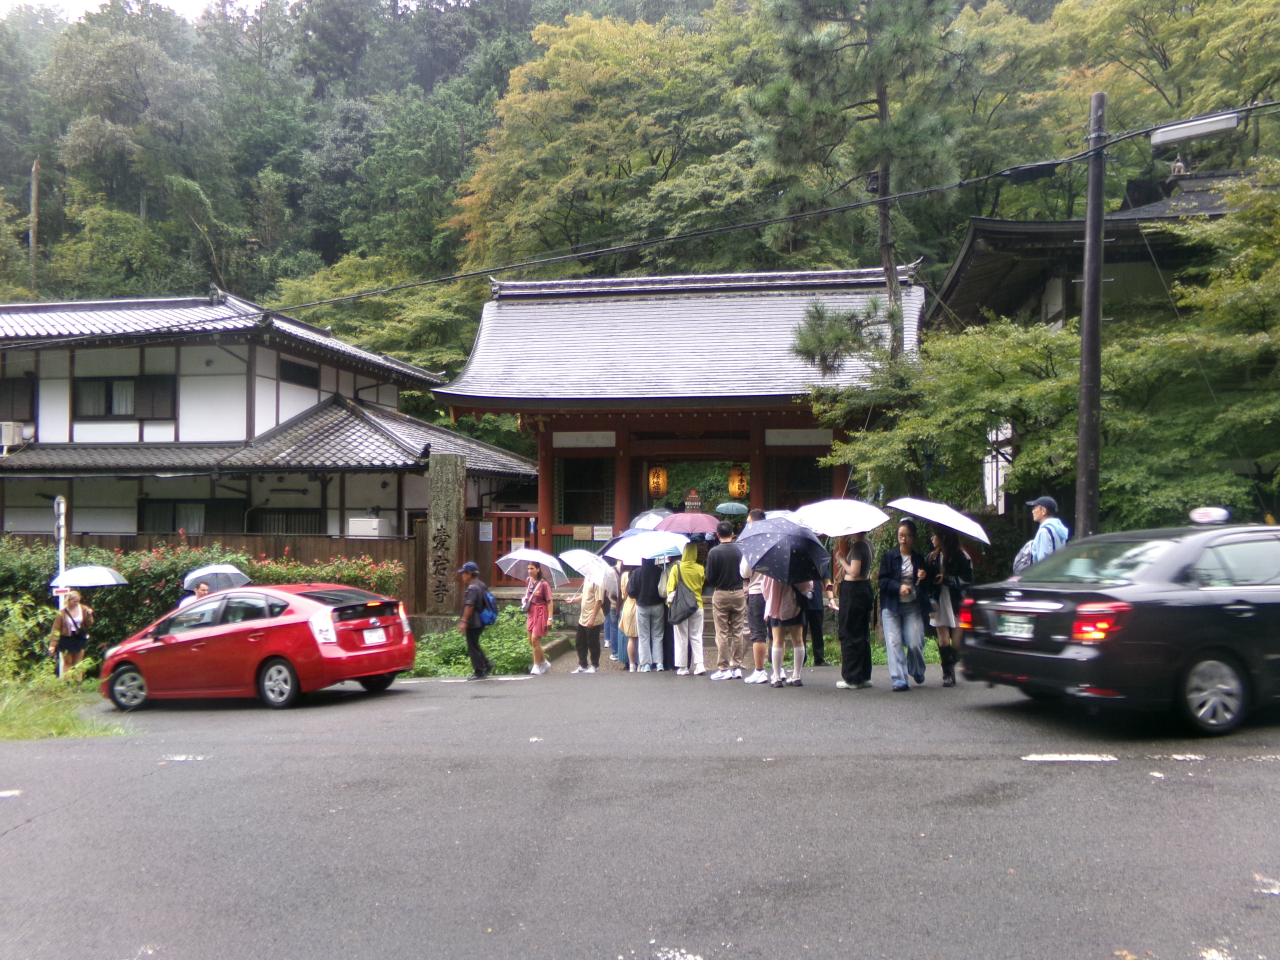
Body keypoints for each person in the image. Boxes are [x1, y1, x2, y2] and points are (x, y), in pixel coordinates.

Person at [878, 519, 928, 692]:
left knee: (914, 643)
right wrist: (898, 587)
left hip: (912, 607)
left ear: (913, 537)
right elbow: (882, 581)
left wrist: (924, 577)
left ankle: (917, 670)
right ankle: (899, 679)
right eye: (901, 535)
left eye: (907, 535)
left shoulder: (919, 559)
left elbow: (926, 586)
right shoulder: (888, 557)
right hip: (891, 606)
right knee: (894, 643)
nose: (904, 539)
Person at [924, 528, 974, 687]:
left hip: (957, 601)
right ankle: (948, 673)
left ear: (943, 538)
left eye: (935, 535)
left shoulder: (962, 556)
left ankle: (952, 663)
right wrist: (925, 578)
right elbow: (927, 581)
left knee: (957, 641)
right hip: (938, 601)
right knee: (944, 638)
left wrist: (946, 579)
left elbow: (967, 580)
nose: (932, 538)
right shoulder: (931, 558)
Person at [832, 532, 875, 690]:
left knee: (850, 632)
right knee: (862, 633)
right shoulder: (869, 544)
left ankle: (852, 677)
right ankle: (864, 675)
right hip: (864, 588)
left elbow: (854, 571)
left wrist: (841, 559)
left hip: (854, 591)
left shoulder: (858, 546)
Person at [705, 521, 746, 680]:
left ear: (718, 535)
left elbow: (709, 577)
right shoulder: (740, 550)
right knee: (738, 631)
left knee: (721, 632)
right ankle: (737, 665)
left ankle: (723, 667)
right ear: (732, 534)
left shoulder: (714, 552)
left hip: (721, 593)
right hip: (738, 592)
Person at [762, 574, 814, 688]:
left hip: (776, 606)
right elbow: (807, 586)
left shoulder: (773, 569)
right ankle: (796, 676)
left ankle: (776, 677)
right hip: (795, 605)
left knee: (777, 641)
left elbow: (765, 588)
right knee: (798, 640)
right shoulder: (799, 567)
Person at [739, 508, 771, 684]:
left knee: (758, 632)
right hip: (775, 592)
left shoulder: (752, 544)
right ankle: (778, 670)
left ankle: (760, 670)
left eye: (748, 522)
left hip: (757, 591)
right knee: (776, 631)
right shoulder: (773, 540)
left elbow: (744, 572)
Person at [666, 542, 706, 676]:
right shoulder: (700, 569)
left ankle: (683, 667)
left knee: (681, 636)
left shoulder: (676, 568)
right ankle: (699, 665)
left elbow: (670, 588)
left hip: (681, 606)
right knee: (696, 635)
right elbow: (701, 585)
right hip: (697, 605)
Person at [456, 562, 493, 680]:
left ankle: (479, 672)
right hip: (481, 620)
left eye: (463, 573)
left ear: (469, 574)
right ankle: (486, 663)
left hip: (474, 621)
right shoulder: (481, 585)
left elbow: (470, 605)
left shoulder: (473, 588)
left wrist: (464, 621)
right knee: (474, 644)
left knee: (472, 646)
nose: (462, 575)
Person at [629, 556, 666, 672]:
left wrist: (638, 595)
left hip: (642, 605)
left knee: (643, 635)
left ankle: (646, 664)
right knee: (658, 635)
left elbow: (631, 591)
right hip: (658, 605)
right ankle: (659, 663)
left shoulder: (637, 572)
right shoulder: (659, 571)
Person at [48, 590, 93, 676]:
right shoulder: (62, 613)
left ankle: (78, 683)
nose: (76, 603)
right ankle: (68, 682)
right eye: (74, 601)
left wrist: (89, 615)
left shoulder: (83, 609)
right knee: (68, 663)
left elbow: (89, 624)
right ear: (68, 600)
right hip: (66, 639)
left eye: (78, 601)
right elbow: (55, 629)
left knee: (79, 663)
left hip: (79, 637)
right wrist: (53, 645)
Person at [522, 561, 553, 675]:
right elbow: (528, 595)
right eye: (528, 568)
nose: (530, 571)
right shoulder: (528, 581)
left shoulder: (544, 584)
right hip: (531, 611)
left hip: (541, 611)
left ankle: (536, 666)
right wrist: (524, 600)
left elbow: (549, 602)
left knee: (535, 639)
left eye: (532, 568)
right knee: (531, 641)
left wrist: (550, 619)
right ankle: (544, 662)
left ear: (538, 569)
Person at [570, 576, 605, 674]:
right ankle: (583, 664)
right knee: (580, 641)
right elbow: (585, 594)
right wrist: (574, 600)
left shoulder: (598, 581)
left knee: (593, 642)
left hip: (593, 616)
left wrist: (592, 618)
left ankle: (594, 665)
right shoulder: (587, 578)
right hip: (583, 616)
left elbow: (599, 601)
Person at [1028, 496, 1070, 563]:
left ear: (1043, 511)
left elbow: (1043, 562)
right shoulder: (1057, 529)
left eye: (1035, 508)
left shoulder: (1044, 531)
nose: (1032, 511)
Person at [802, 576, 827, 666]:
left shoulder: (820, 567)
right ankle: (801, 659)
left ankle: (819, 659)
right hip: (802, 603)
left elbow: (827, 581)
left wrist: (831, 598)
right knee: (801, 633)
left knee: (818, 632)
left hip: (817, 602)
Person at [618, 565, 639, 672]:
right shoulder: (641, 573)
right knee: (643, 638)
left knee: (631, 638)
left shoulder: (625, 575)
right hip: (641, 605)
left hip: (629, 605)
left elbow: (623, 594)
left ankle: (631, 665)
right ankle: (641, 663)